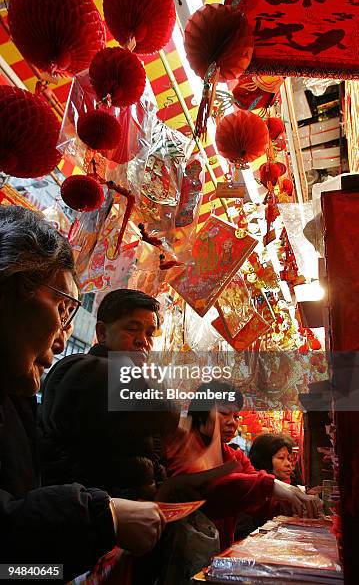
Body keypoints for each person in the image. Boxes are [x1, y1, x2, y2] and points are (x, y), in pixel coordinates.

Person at [0, 206, 165, 581]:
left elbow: (12, 569)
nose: (61, 341)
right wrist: (101, 516)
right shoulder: (81, 372)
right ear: (11, 286)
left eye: (150, 334)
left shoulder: (15, 397)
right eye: (62, 308)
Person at [39, 288, 179, 499]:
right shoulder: (81, 368)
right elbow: (166, 408)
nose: (143, 341)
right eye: (132, 329)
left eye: (150, 334)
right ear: (102, 333)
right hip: (85, 516)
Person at [166, 381, 322, 550]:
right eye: (224, 413)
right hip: (182, 553)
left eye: (236, 416)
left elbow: (258, 502)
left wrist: (292, 504)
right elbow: (210, 485)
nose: (232, 422)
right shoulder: (183, 444)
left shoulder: (234, 455)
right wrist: (272, 485)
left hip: (218, 551)